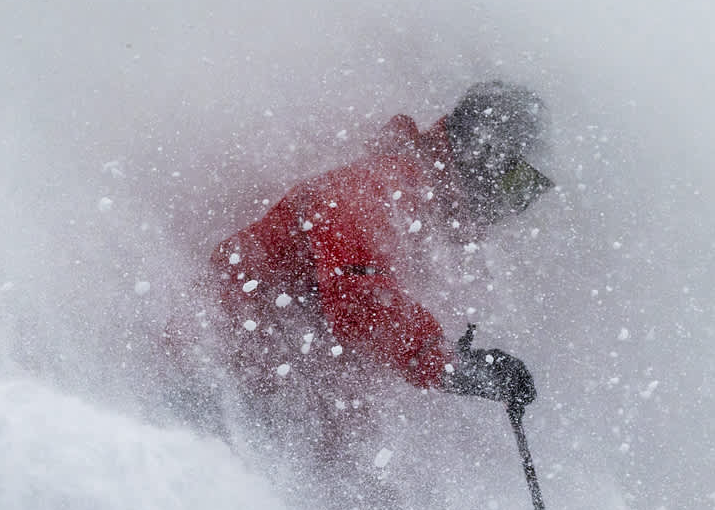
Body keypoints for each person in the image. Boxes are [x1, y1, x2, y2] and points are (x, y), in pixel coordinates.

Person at [161, 81, 552, 451]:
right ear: (484, 158)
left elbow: (348, 361)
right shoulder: (384, 186)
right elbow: (357, 301)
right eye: (515, 184)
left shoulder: (431, 227)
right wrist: (454, 366)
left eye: (526, 194)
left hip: (262, 400)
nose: (512, 208)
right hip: (210, 379)